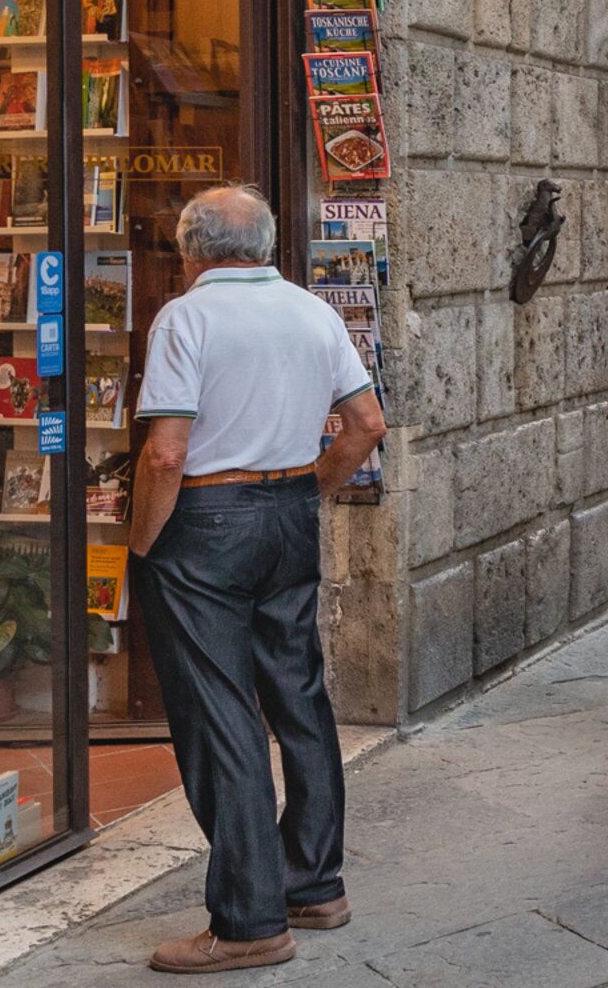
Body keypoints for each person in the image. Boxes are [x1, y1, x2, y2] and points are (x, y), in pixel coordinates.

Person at [126, 186, 388, 975]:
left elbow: (166, 452)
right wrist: (308, 489)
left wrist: (142, 543)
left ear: (190, 250)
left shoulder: (186, 318)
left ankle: (248, 920)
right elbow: (367, 425)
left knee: (219, 714)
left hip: (206, 519)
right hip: (287, 512)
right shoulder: (313, 312)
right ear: (266, 244)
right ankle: (315, 883)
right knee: (298, 695)